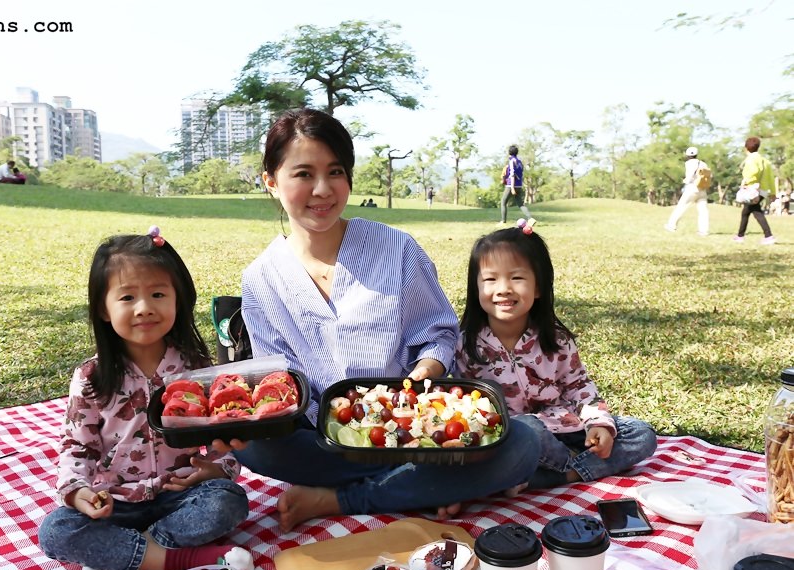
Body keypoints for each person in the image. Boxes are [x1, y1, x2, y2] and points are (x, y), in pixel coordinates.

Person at [215, 108, 540, 533]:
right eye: (303, 173)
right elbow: (279, 379)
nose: (322, 189)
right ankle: (426, 488)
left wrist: (428, 370)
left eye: (335, 171)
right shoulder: (261, 278)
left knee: (522, 445)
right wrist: (255, 418)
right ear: (271, 182)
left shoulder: (396, 248)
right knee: (255, 450)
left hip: (414, 434)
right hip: (323, 440)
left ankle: (344, 498)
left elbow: (438, 333)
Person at [37, 227, 250, 570]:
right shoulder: (91, 377)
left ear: (178, 300)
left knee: (228, 501)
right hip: (115, 504)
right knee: (56, 530)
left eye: (157, 294)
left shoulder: (197, 368)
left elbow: (220, 445)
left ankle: (116, 554)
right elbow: (77, 448)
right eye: (127, 297)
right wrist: (78, 494)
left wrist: (215, 469)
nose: (144, 307)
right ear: (103, 309)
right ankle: (182, 558)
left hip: (180, 497)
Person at [455, 223, 657, 492]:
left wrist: (601, 426)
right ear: (476, 287)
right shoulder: (466, 343)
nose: (503, 289)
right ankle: (560, 470)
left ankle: (561, 475)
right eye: (491, 279)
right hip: (514, 438)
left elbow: (579, 387)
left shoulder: (556, 339)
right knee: (524, 427)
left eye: (516, 278)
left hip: (567, 428)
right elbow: (463, 404)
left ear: (538, 287)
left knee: (642, 434)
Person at [734, 136, 776, 244]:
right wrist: (773, 192)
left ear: (746, 148)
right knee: (747, 212)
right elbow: (771, 178)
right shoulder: (765, 161)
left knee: (756, 212)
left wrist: (746, 181)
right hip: (763, 190)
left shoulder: (751, 159)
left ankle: (768, 236)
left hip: (753, 190)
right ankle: (740, 235)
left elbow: (754, 171)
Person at [664, 147, 709, 236]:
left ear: (687, 155)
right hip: (702, 188)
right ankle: (704, 231)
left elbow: (689, 176)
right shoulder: (703, 163)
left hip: (692, 188)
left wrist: (685, 181)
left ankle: (671, 225)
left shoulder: (688, 163)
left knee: (681, 206)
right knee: (703, 210)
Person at [499, 145, 533, 224]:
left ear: (509, 152)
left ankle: (503, 221)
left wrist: (512, 188)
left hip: (512, 185)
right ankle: (530, 219)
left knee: (503, 202)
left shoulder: (512, 161)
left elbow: (512, 174)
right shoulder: (519, 162)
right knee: (520, 204)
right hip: (519, 185)